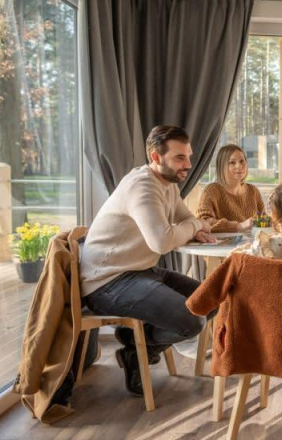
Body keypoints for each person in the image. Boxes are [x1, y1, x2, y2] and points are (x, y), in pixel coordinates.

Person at [79, 125, 216, 397]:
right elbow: (162, 241)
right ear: (155, 157)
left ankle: (138, 347)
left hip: (140, 271)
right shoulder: (141, 186)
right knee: (191, 321)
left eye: (188, 156)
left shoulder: (167, 185)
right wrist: (196, 225)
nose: (188, 164)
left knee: (212, 298)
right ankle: (135, 346)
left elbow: (184, 220)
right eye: (180, 158)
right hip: (106, 282)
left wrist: (191, 225)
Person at [196, 144, 265, 232]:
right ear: (222, 166)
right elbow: (203, 222)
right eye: (232, 162)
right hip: (222, 244)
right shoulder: (211, 190)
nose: (239, 166)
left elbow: (264, 221)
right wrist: (238, 226)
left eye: (242, 161)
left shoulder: (253, 191)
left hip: (252, 244)